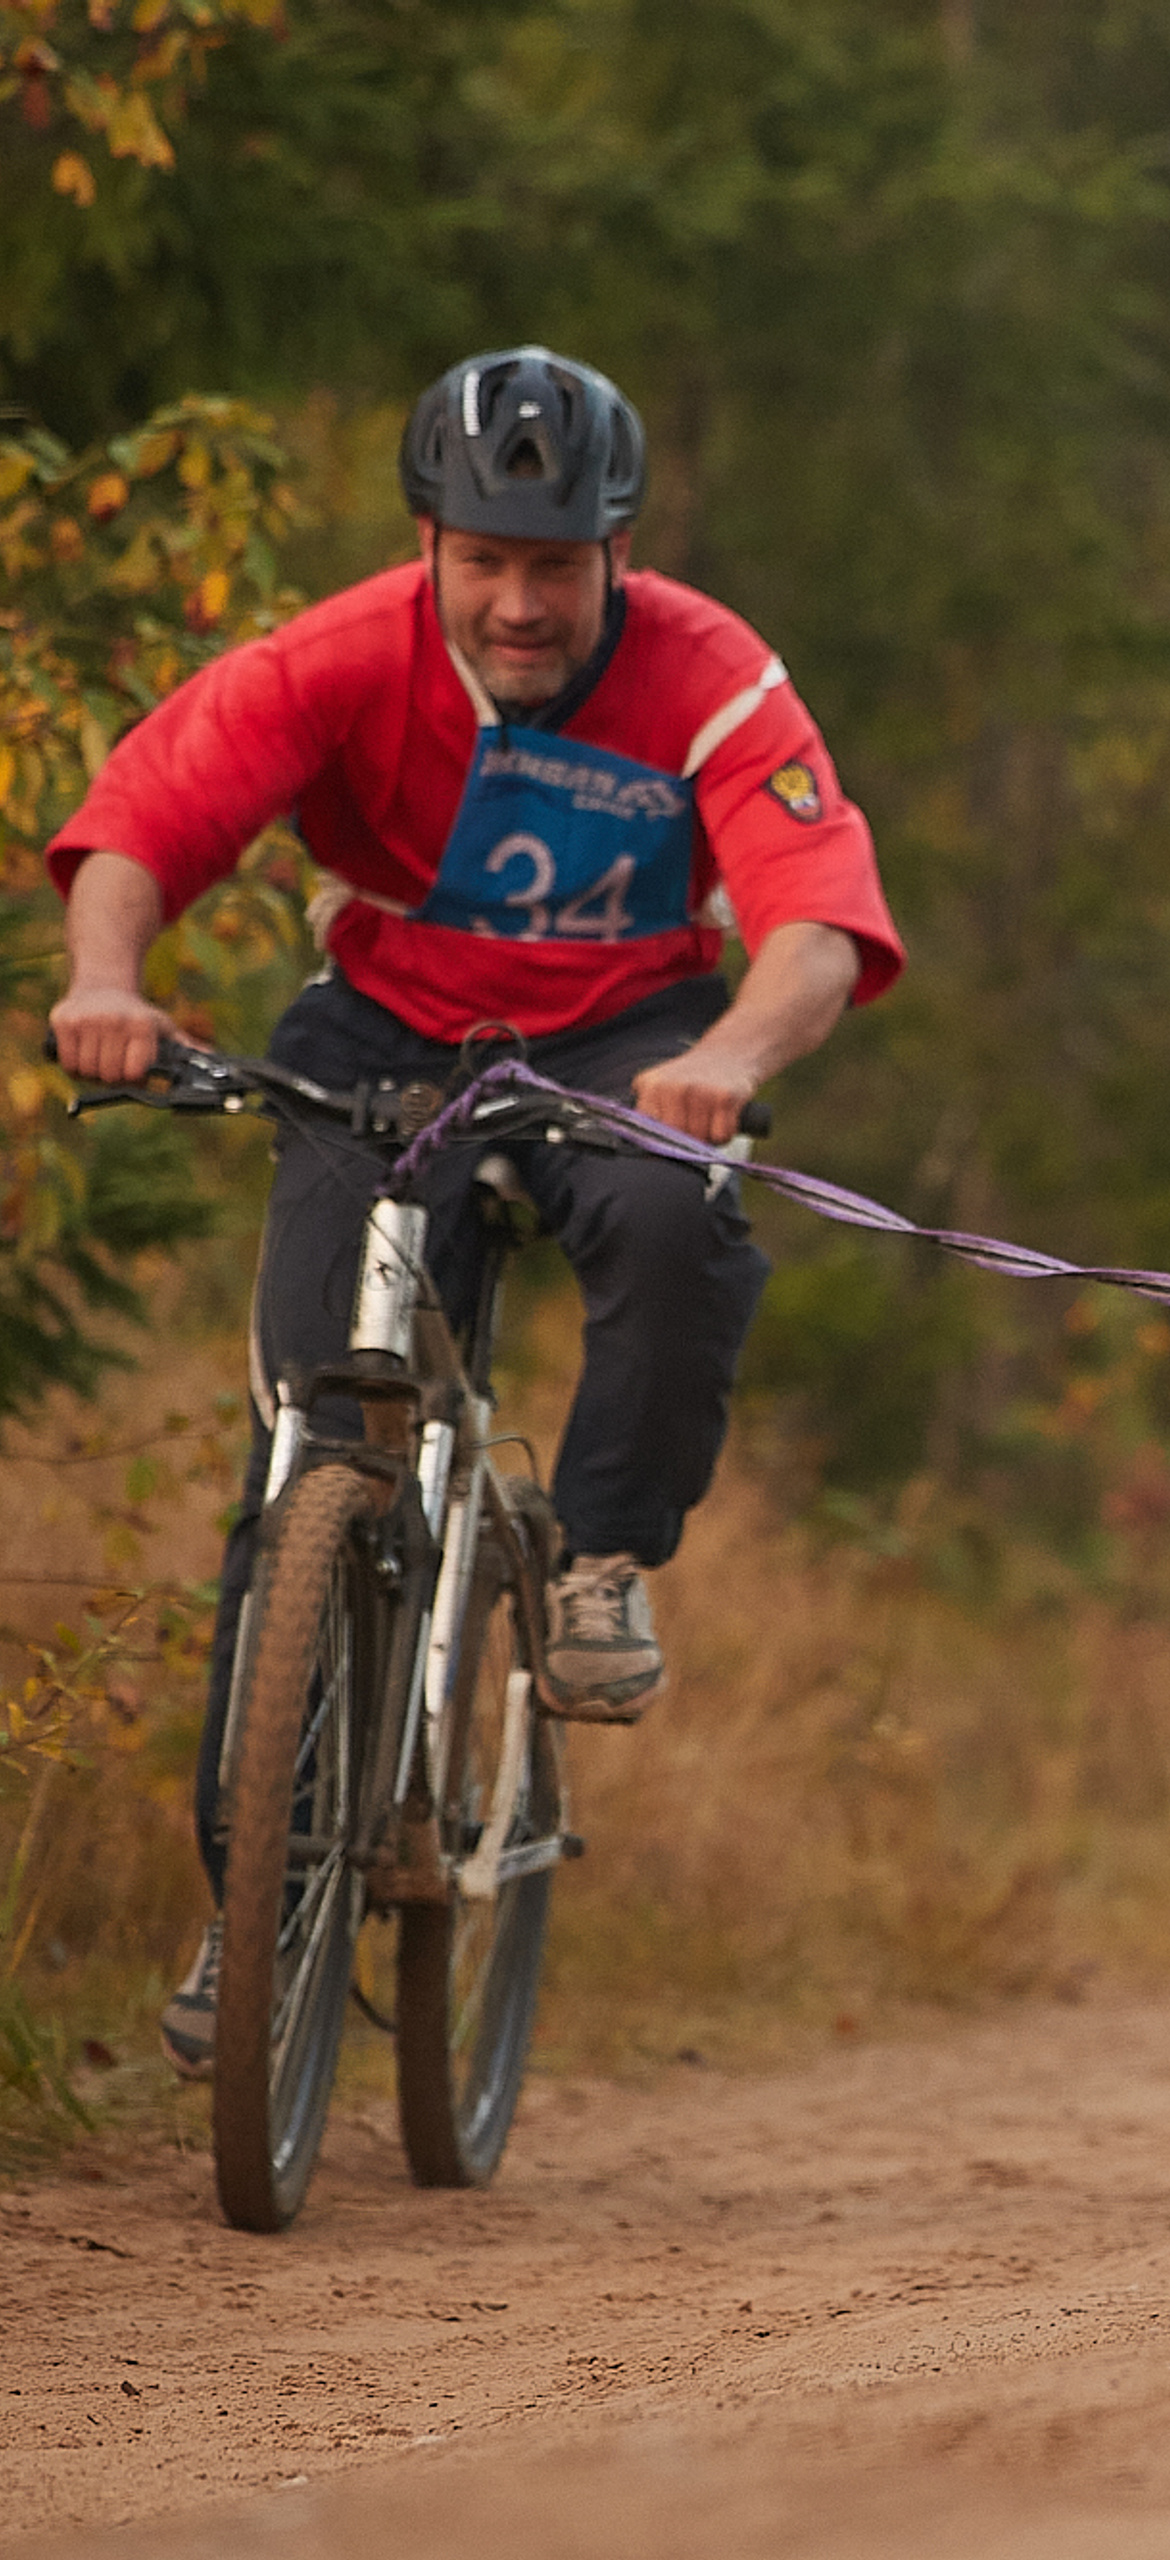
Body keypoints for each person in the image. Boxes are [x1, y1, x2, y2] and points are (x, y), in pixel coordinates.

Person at [45, 347, 904, 2076]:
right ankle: (254, 1904)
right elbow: (151, 811)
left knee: (677, 1226)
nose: (520, 604)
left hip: (625, 1039)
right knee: (307, 1436)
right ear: (429, 545)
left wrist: (728, 1057)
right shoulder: (344, 654)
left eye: (558, 567)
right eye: (485, 562)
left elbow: (812, 920)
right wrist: (105, 981)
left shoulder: (714, 676)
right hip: (381, 1036)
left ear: (618, 556)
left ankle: (597, 1561)